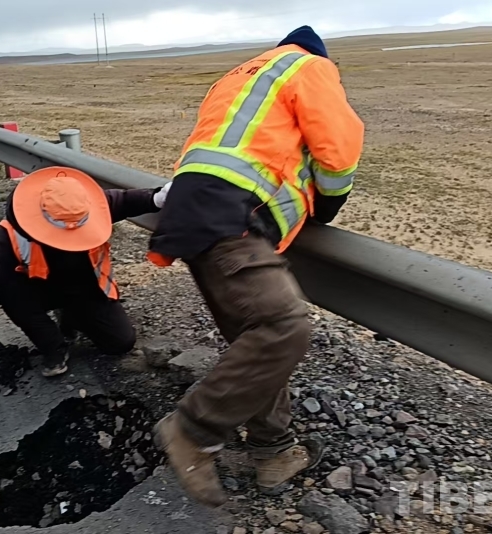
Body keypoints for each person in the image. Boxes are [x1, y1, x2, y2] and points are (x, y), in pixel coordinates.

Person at [145, 25, 365, 507]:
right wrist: (328, 205)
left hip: (192, 207)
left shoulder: (240, 74)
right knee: (283, 327)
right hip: (233, 212)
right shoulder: (310, 66)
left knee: (258, 344)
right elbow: (337, 148)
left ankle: (273, 451)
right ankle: (192, 430)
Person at [0, 166, 173, 386]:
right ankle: (54, 347)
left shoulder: (91, 204)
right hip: (37, 289)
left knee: (120, 343)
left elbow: (124, 200)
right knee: (7, 291)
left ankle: (73, 317)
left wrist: (157, 197)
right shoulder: (13, 236)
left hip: (83, 287)